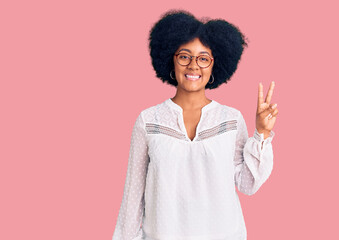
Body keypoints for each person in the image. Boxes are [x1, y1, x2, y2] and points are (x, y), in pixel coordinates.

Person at [112, 9, 278, 240]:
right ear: (171, 58)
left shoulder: (230, 120)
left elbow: (247, 184)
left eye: (203, 58)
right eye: (184, 56)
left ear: (214, 66)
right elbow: (133, 196)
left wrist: (262, 132)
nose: (193, 65)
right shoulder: (149, 120)